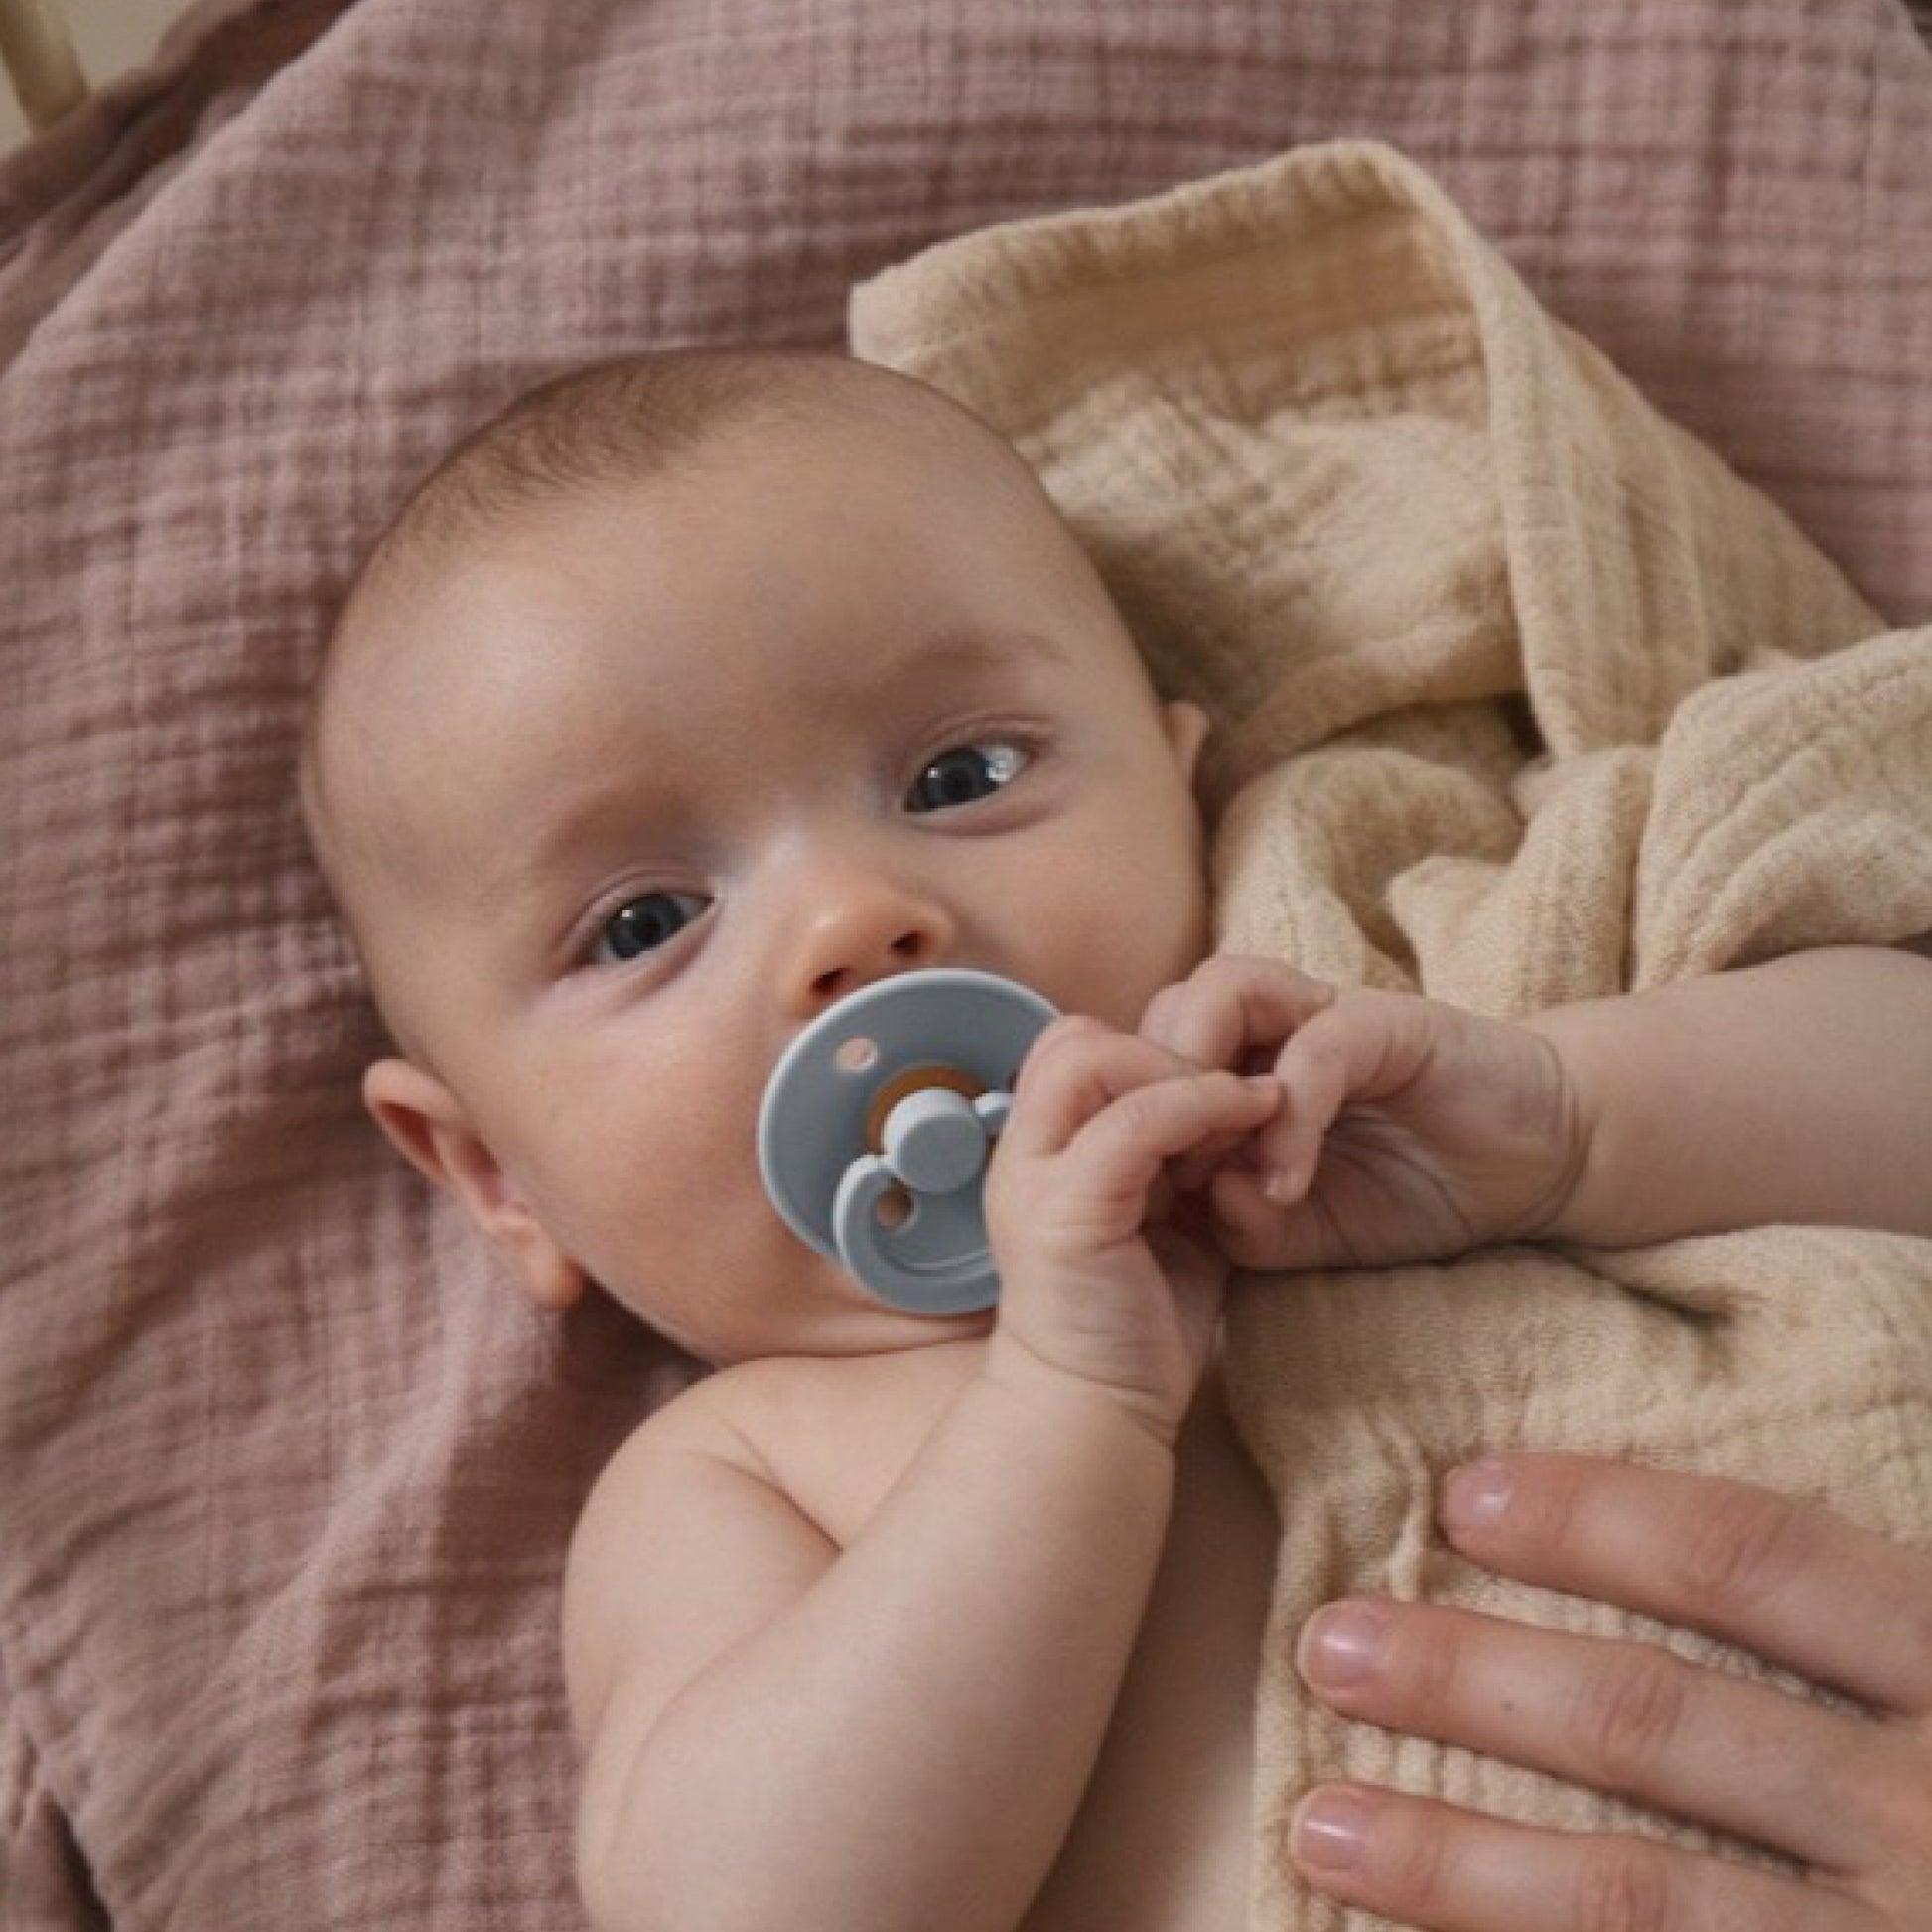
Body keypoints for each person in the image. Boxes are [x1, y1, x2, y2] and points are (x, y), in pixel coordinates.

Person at [299, 345, 1932, 1932]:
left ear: (1183, 792)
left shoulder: (1413, 1008)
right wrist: (1066, 1404)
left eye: (960, 771)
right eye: (646, 916)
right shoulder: (748, 1471)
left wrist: (1576, 1120)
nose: (855, 922)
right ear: (496, 1177)